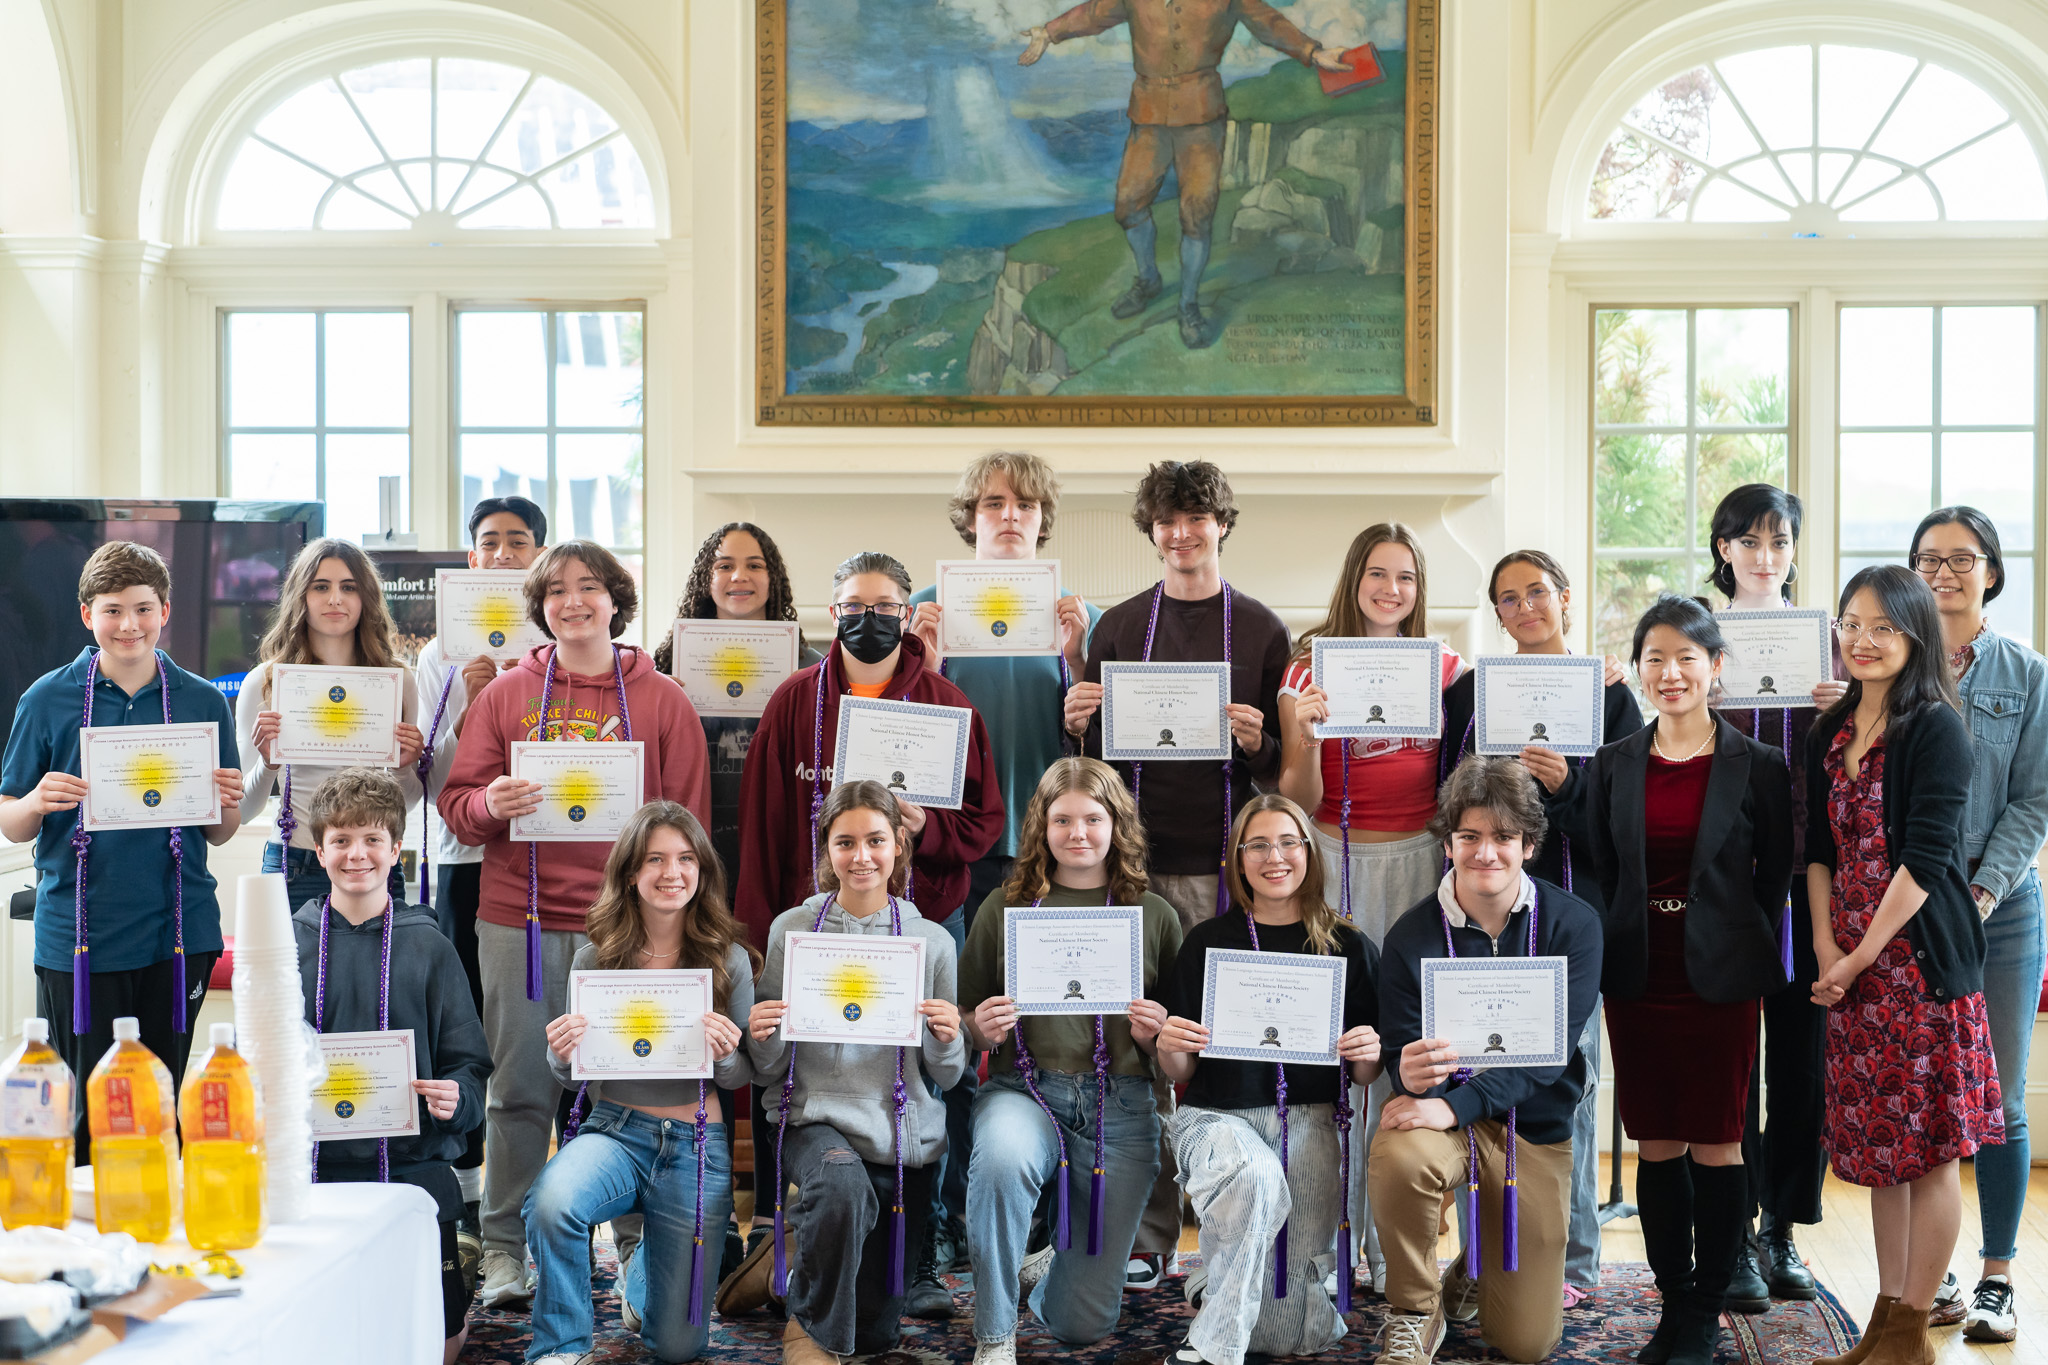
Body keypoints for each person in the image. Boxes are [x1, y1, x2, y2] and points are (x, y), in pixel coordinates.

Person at [438, 539, 712, 1311]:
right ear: (541, 607)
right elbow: (458, 803)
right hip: (519, 924)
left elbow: (688, 827)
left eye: (589, 586)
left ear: (615, 599)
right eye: (557, 590)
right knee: (520, 1092)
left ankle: (632, 1253)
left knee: (631, 1092)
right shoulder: (506, 696)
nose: (574, 601)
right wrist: (492, 803)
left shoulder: (664, 700)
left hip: (632, 931)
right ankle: (504, 1248)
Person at [1065, 460, 1288, 1290]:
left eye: (1197, 518)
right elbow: (1093, 768)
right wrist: (1078, 725)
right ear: (1151, 529)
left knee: (1222, 1045)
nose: (1182, 533)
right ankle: (1151, 1233)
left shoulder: (1262, 628)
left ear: (1221, 523)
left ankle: (1240, 1231)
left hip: (1227, 870)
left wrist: (1259, 738)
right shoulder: (1120, 626)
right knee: (1135, 1049)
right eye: (1167, 520)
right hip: (1132, 873)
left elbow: (1281, 774)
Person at [907, 453, 1103, 1290]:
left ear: (1042, 518)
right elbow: (906, 735)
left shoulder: (1075, 613)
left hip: (1046, 852)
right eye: (994, 502)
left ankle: (1041, 1222)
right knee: (952, 1034)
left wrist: (1078, 662)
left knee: (1043, 1032)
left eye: (1025, 503)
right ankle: (950, 1216)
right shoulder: (927, 610)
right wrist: (927, 661)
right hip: (955, 854)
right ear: (971, 517)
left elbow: (1095, 746)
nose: (1010, 514)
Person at [1585, 595, 1794, 1365]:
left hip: (1723, 975)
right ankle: (1674, 1299)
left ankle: (1706, 1309)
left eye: (1686, 658)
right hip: (1640, 971)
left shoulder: (1759, 764)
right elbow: (1609, 871)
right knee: (1655, 1141)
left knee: (1718, 1141)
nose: (1670, 673)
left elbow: (1771, 876)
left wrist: (1722, 928)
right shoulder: (1613, 764)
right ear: (1639, 670)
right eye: (1655, 659)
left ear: (1715, 668)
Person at [1815, 555, 2011, 1355]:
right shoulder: (1830, 729)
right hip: (1851, 970)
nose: (1864, 640)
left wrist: (1857, 956)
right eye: (1852, 624)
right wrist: (1827, 944)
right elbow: (1817, 848)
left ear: (1914, 634)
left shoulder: (1937, 728)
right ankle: (1889, 1317)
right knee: (1881, 1155)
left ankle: (1915, 1319)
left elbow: (1926, 863)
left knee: (1928, 1156)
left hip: (1916, 969)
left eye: (1883, 626)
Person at [1440, 548, 1642, 1305]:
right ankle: (1479, 1260)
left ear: (1564, 597)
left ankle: (1575, 1263)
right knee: (1476, 1078)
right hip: (1479, 918)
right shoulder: (1468, 696)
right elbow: (1445, 800)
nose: (1525, 607)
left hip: (1568, 917)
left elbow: (1625, 820)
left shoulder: (1610, 695)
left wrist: (1569, 785)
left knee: (1571, 1086)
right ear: (1496, 613)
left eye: (1537, 592)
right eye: (1507, 598)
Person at [0, 541, 244, 1161]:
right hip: (78, 938)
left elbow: (219, 833)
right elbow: (10, 823)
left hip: (178, 932)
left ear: (165, 610)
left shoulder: (202, 701)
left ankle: (161, 1244)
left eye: (143, 608)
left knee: (161, 1105)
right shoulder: (46, 699)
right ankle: (93, 1253)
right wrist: (34, 802)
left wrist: (227, 803)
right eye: (113, 610)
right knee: (88, 1110)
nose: (129, 625)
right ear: (88, 616)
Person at [1369, 755, 1604, 1365]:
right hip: (1443, 1120)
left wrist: (1453, 1107)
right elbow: (1400, 1052)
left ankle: (1476, 1265)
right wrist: (1409, 1072)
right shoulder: (1410, 935)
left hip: (1533, 1128)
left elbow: (1548, 1059)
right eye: (1469, 836)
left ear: (1529, 845)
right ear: (1448, 844)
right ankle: (1414, 1312)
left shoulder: (1573, 925)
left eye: (1503, 837)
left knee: (1526, 1345)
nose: (1485, 853)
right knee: (1399, 1152)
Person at [1277, 523, 1462, 1292]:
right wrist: (1307, 733)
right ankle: (1322, 1239)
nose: (1392, 590)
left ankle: (1394, 1248)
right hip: (1335, 856)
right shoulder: (1304, 668)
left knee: (1405, 1042)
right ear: (1354, 579)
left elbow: (1472, 768)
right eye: (1378, 574)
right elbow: (1295, 799)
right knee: (1336, 1041)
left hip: (1419, 860)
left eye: (1407, 578)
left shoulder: (1449, 668)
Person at [958, 757, 1184, 1365]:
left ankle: (1048, 1271)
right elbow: (962, 1021)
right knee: (1002, 1163)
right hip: (1022, 1092)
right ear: (1041, 825)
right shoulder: (1005, 907)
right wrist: (977, 1028)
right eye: (1062, 819)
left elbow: (1183, 1047)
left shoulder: (1155, 916)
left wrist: (1156, 1035)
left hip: (1122, 1103)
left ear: (1118, 825)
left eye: (1093, 818)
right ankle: (995, 1333)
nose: (1078, 832)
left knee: (1081, 1326)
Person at [526, 802, 757, 1365]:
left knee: (678, 1348)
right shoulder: (594, 959)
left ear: (702, 871)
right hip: (616, 1131)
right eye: (655, 859)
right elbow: (573, 1076)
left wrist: (725, 1054)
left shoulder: (728, 960)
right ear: (631, 872)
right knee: (552, 1203)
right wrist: (561, 1053)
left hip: (696, 1145)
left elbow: (746, 1073)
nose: (670, 873)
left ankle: (646, 1271)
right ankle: (561, 1347)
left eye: (684, 859)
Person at [1154, 794, 1381, 1365]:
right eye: (1257, 844)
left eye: (1288, 842)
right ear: (1237, 857)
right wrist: (1170, 1047)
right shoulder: (1206, 942)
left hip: (1308, 1122)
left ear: (1309, 852)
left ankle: (1214, 1283)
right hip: (1216, 1119)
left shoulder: (1349, 947)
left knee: (1281, 1338)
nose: (1273, 856)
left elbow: (1365, 1074)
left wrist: (1368, 1052)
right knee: (1253, 1174)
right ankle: (1214, 1351)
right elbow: (1180, 1072)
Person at [746, 782, 966, 1365]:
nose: (861, 856)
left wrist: (948, 1037)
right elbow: (767, 1068)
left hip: (900, 1137)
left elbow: (946, 1074)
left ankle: (802, 1240)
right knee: (839, 1182)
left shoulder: (933, 943)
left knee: (875, 1333)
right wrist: (763, 1032)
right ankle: (810, 1333)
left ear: (899, 844)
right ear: (827, 850)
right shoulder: (791, 929)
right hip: (812, 1119)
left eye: (875, 840)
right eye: (846, 843)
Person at [1703, 483, 1849, 1309]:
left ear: (1794, 550)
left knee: (1802, 1064)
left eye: (1780, 542)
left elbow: (1872, 742)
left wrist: (1845, 703)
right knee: (1732, 1062)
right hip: (1722, 875)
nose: (1765, 556)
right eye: (1749, 541)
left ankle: (1782, 1229)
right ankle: (1730, 1233)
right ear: (1724, 547)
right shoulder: (1696, 632)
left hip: (1808, 877)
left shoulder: (1829, 639)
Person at [295, 767, 491, 1365]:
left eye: (373, 839)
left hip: (413, 1168)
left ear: (396, 848)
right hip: (317, 1170)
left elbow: (469, 1064)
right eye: (341, 841)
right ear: (318, 849)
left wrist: (457, 1098)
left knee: (439, 1336)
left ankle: (457, 1263)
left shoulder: (430, 946)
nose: (357, 855)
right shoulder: (291, 944)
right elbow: (263, 1059)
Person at [1017, 1, 1348, 349]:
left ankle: (1188, 304)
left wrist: (1313, 52)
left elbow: (1269, 22)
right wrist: (1049, 33)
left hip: (1202, 118)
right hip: (1148, 117)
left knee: (1198, 214)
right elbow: (1095, 13)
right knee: (1128, 206)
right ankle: (1148, 280)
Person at [413, 493, 547, 1277]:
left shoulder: (553, 647)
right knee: (471, 1028)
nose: (502, 554)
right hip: (462, 862)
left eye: (518, 542)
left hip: (536, 863)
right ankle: (469, 1198)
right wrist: (466, 697)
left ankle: (534, 1205)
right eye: (489, 542)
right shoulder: (436, 656)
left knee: (529, 1038)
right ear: (471, 558)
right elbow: (434, 776)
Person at [240, 537, 425, 909]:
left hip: (373, 864)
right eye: (320, 587)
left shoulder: (397, 680)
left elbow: (404, 802)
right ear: (300, 597)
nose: (335, 599)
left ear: (366, 598)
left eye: (349, 587)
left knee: (382, 971)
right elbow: (243, 811)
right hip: (294, 862)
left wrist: (406, 768)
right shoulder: (266, 681)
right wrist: (268, 763)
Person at [652, 522, 823, 882]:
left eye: (755, 565)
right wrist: (657, 698)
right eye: (724, 565)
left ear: (772, 577)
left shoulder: (810, 668)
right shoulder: (668, 666)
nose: (739, 576)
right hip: (692, 828)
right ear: (706, 578)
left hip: (777, 831)